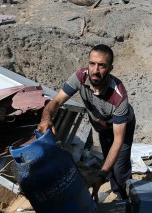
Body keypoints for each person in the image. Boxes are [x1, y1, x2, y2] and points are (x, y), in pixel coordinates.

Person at [38, 44, 135, 201]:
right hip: (102, 126)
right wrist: (46, 118)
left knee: (119, 166)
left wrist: (101, 175)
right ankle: (115, 188)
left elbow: (118, 141)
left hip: (122, 126)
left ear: (110, 68)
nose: (95, 70)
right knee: (107, 159)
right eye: (92, 64)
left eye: (102, 66)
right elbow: (56, 101)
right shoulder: (79, 77)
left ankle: (125, 200)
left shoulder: (119, 97)